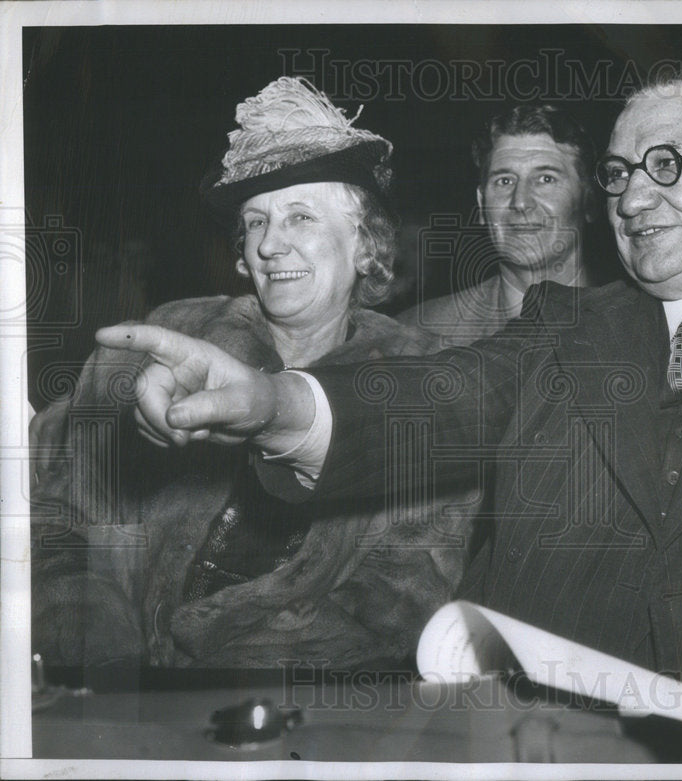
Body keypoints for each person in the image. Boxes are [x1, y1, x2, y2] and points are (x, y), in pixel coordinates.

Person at [98, 71, 682, 676]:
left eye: (667, 166)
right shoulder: (566, 329)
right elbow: (439, 398)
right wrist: (275, 405)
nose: (630, 198)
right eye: (621, 174)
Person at [30, 77, 476, 668]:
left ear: (365, 247)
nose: (271, 245)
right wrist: (102, 649)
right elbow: (59, 516)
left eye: (301, 217)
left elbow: (393, 603)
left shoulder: (424, 386)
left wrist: (214, 688)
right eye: (257, 223)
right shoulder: (163, 343)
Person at [396, 104, 601, 344]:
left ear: (589, 201)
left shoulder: (644, 323)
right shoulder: (412, 337)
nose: (521, 202)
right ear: (482, 204)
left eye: (546, 179)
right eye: (504, 181)